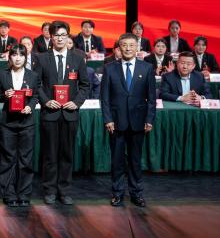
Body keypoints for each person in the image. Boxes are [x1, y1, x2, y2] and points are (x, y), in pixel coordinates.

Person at [35, 20, 89, 206]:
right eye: (56, 35)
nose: (60, 38)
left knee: (67, 154)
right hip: (50, 113)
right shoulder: (42, 58)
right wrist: (45, 101)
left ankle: (64, 191)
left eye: (63, 35)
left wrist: (76, 102)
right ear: (51, 37)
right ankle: (49, 190)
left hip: (69, 113)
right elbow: (36, 84)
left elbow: (85, 85)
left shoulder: (78, 58)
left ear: (68, 37)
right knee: (50, 155)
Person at [100, 33, 157, 208]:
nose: (128, 48)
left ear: (137, 47)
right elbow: (105, 98)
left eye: (131, 45)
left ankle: (136, 193)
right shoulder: (109, 68)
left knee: (135, 160)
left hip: (139, 122)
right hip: (116, 122)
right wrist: (108, 119)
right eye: (124, 45)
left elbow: (152, 98)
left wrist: (149, 119)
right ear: (119, 47)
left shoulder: (147, 68)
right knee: (117, 161)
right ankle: (117, 193)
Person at [0, 45, 42, 207]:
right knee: (8, 159)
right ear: (10, 58)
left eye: (21, 55)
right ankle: (8, 194)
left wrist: (30, 106)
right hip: (8, 122)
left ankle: (24, 194)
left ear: (25, 58)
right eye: (14, 55)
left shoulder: (33, 76)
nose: (18, 58)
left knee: (26, 160)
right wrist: (4, 95)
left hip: (27, 122)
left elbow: (35, 96)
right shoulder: (2, 75)